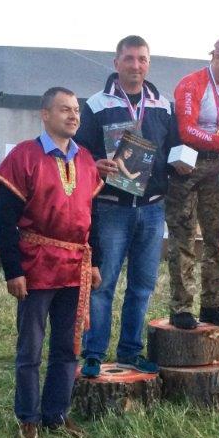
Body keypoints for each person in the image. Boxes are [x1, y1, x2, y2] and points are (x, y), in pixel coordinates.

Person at [0, 87, 103, 438]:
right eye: (64, 109)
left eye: (76, 110)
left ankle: (56, 413)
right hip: (36, 263)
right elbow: (6, 219)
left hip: (75, 265)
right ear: (45, 114)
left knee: (67, 347)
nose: (73, 116)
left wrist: (95, 262)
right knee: (31, 347)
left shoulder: (85, 159)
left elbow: (93, 215)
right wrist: (13, 270)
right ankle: (28, 417)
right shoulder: (24, 157)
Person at [74, 35, 180, 377]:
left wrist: (182, 164)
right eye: (130, 58)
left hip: (152, 207)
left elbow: (174, 147)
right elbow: (79, 152)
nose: (136, 65)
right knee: (103, 283)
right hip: (112, 207)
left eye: (142, 59)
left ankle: (130, 352)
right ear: (116, 62)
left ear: (149, 63)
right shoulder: (96, 105)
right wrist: (95, 164)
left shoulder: (163, 105)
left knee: (142, 285)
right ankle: (93, 353)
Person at [167, 35, 219, 330]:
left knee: (218, 236)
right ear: (216, 56)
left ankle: (213, 303)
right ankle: (181, 306)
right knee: (183, 236)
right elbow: (187, 130)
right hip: (188, 167)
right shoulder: (192, 84)